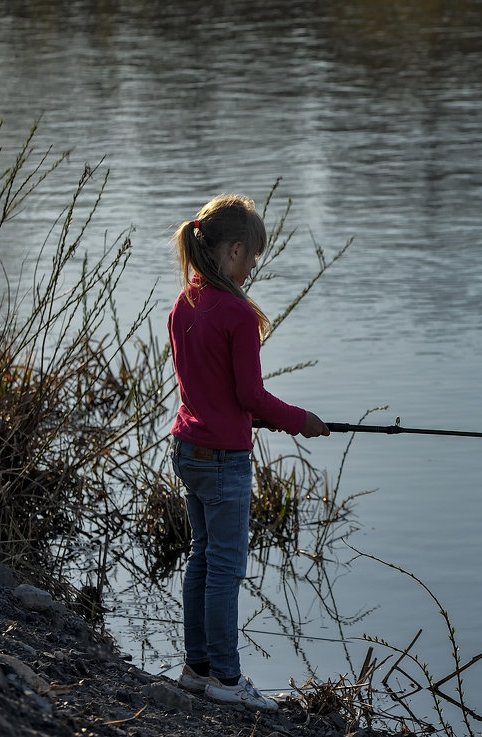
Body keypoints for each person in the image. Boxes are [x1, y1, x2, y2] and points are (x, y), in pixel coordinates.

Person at [167, 193, 330, 709]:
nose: (253, 267)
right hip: (221, 458)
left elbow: (209, 387)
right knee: (225, 568)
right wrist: (301, 422)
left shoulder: (182, 304)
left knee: (201, 558)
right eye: (253, 257)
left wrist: (252, 416)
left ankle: (197, 669)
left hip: (187, 447)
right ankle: (227, 679)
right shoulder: (236, 313)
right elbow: (248, 395)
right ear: (234, 251)